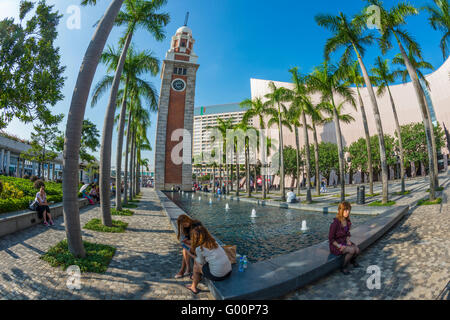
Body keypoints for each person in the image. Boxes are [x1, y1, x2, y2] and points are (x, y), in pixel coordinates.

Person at [185, 225, 232, 294]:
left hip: (218, 276)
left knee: (196, 266)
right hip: (228, 272)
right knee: (199, 261)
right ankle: (196, 277)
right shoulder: (213, 242)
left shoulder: (199, 248)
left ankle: (193, 287)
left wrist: (190, 254)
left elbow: (201, 262)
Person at [328, 201, 361, 275]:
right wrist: (339, 246)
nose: (347, 212)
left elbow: (347, 233)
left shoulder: (347, 221)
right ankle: (343, 267)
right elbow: (331, 238)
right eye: (345, 210)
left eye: (348, 210)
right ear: (340, 210)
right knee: (352, 250)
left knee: (357, 250)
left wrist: (348, 240)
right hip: (335, 245)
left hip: (344, 241)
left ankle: (352, 261)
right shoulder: (335, 223)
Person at [175, 215, 203, 279]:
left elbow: (199, 239)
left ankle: (184, 269)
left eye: (185, 224)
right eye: (182, 225)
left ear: (188, 220)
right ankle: (186, 269)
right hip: (193, 244)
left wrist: (188, 242)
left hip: (200, 244)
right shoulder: (185, 227)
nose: (184, 226)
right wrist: (186, 241)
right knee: (185, 249)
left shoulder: (197, 225)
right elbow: (188, 238)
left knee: (185, 249)